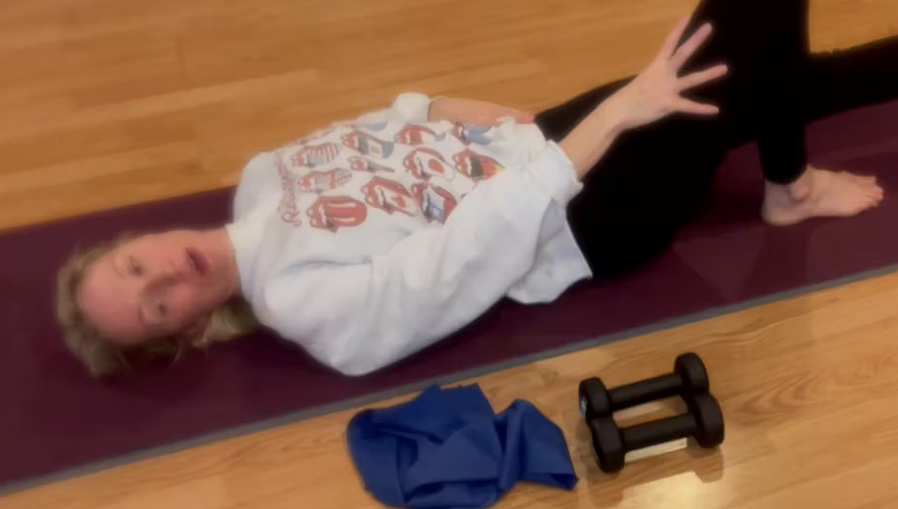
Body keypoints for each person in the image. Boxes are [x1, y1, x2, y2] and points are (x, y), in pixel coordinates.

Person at [56, 0, 898, 377]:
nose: (164, 278)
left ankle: (790, 177)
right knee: (746, 37)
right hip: (577, 218)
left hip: (539, 143)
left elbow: (370, 132)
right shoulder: (309, 310)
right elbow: (467, 258)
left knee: (772, 76)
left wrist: (441, 109)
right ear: (191, 326)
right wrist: (610, 122)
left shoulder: (256, 183)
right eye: (158, 307)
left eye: (136, 269)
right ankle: (787, 188)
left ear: (138, 243)